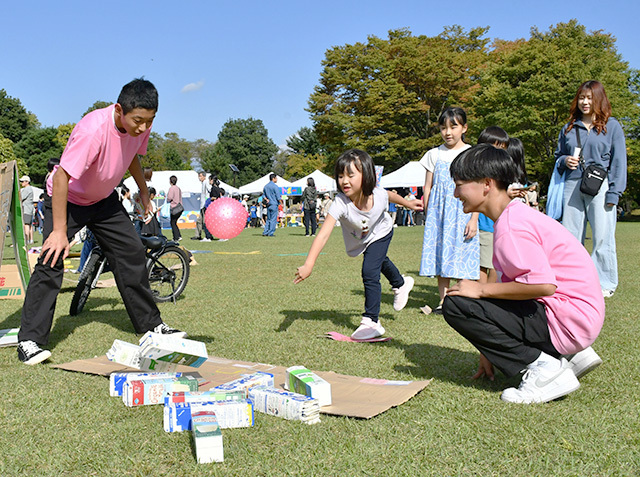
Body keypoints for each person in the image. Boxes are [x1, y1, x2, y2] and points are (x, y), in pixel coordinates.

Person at [17, 78, 185, 365]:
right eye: (138, 121)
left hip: (103, 201)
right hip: (67, 198)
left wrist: (144, 192)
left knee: (132, 252)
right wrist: (59, 231)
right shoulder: (93, 130)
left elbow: (132, 154)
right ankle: (30, 340)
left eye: (149, 121)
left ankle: (150, 326)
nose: (143, 128)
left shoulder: (140, 125)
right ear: (119, 109)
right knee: (52, 257)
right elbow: (61, 177)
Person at [443, 144, 605, 404]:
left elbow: (543, 285)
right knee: (474, 299)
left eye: (459, 184)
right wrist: (489, 347)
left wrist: (480, 290)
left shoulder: (512, 227)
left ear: (486, 183)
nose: (454, 193)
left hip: (568, 318)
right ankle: (571, 355)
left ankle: (546, 369)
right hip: (576, 316)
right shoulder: (513, 217)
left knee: (457, 305)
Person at [294, 149, 422, 339]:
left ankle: (371, 321)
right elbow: (323, 234)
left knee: (370, 270)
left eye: (350, 175)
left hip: (381, 231)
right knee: (378, 261)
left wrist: (408, 204)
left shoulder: (377, 194)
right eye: (340, 176)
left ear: (366, 175)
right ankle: (401, 284)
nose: (344, 181)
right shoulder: (340, 202)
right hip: (362, 238)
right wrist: (309, 264)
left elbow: (389, 196)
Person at [554, 80, 627, 298]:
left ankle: (605, 283)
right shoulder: (568, 128)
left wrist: (615, 192)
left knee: (603, 236)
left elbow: (619, 162)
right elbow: (558, 158)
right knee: (570, 237)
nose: (585, 102)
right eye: (581, 98)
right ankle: (572, 282)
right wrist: (565, 160)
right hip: (572, 184)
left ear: (599, 99)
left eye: (589, 98)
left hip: (601, 185)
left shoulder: (612, 126)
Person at [419, 107, 478, 314]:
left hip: (463, 210)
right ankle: (443, 302)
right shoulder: (433, 154)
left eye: (453, 126)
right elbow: (428, 185)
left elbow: (477, 188)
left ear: (464, 128)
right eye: (443, 127)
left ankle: (462, 300)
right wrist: (428, 211)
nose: (448, 132)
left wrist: (474, 219)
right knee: (441, 254)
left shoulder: (471, 153)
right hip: (439, 213)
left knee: (462, 253)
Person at [475, 126, 510, 285]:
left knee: (497, 263)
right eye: (496, 147)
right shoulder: (477, 169)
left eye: (503, 148)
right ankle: (483, 296)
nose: (500, 152)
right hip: (484, 224)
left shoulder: (503, 170)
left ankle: (488, 295)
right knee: (483, 264)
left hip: (499, 223)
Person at [193, 171, 212, 241]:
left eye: (200, 176)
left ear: (204, 176)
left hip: (205, 205)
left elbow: (209, 190)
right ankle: (198, 235)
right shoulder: (203, 183)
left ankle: (208, 236)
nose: (199, 178)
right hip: (202, 205)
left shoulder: (206, 182)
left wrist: (207, 201)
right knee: (199, 221)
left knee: (204, 221)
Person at [167, 175, 183, 241]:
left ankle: (176, 237)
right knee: (174, 222)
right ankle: (178, 235)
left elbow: (169, 197)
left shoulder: (171, 188)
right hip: (180, 207)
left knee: (172, 222)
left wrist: (167, 199)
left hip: (174, 207)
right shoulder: (178, 188)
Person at [20, 175, 34, 245]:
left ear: (27, 182)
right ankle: (31, 240)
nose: (21, 183)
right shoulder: (29, 189)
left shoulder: (27, 189)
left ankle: (27, 240)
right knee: (30, 225)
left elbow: (21, 198)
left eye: (22, 181)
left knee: (26, 225)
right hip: (29, 209)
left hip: (26, 209)